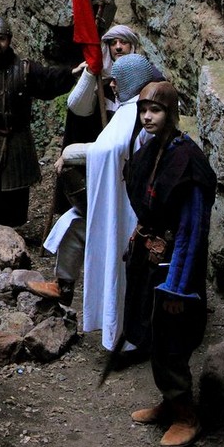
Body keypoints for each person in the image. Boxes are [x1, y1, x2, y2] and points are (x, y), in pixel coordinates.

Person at [124, 82, 217, 447]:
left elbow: (192, 229)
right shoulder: (152, 149)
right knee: (153, 333)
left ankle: (186, 415)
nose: (147, 117)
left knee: (172, 339)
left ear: (171, 113)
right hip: (151, 258)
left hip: (175, 266)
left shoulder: (187, 161)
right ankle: (169, 401)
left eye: (156, 110)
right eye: (143, 109)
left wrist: (177, 288)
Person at [46, 53, 156, 347]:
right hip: (120, 193)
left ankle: (125, 333)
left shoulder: (138, 111)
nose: (113, 86)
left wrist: (69, 153)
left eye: (117, 81)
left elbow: (109, 149)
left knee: (111, 255)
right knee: (72, 224)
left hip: (129, 203)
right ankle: (63, 286)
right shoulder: (131, 110)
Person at [0, 14, 74, 228]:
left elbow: (48, 80)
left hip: (17, 141)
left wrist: (72, 73)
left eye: (2, 38)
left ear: (9, 40)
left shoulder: (25, 69)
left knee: (12, 199)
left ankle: (9, 236)